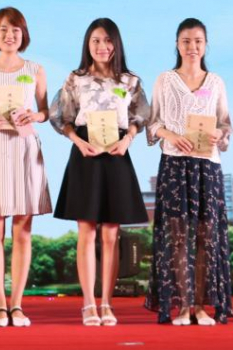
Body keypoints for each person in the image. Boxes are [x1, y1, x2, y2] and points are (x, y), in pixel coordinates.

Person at [50, 18, 149, 327]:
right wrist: (78, 141)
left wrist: (128, 139)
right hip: (86, 154)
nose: (102, 46)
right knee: (86, 230)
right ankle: (88, 304)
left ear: (116, 44)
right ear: (87, 44)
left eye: (107, 40)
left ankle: (107, 302)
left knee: (110, 234)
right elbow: (61, 116)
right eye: (95, 40)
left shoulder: (130, 81)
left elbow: (141, 115)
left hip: (117, 153)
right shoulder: (75, 79)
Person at [0, 7, 52, 328]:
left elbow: (45, 110)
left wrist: (36, 116)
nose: (9, 35)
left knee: (23, 230)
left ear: (23, 34)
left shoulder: (35, 70)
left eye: (16, 30)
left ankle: (17, 304)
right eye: (3, 29)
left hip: (24, 148)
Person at [145, 18, 233, 326]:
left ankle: (200, 307)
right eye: (186, 41)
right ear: (177, 44)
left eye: (198, 41)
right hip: (174, 164)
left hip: (207, 165)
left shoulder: (216, 82)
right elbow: (152, 123)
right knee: (178, 237)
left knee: (206, 237)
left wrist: (219, 135)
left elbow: (226, 125)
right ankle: (183, 306)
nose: (192, 46)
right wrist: (171, 135)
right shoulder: (165, 79)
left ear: (206, 45)